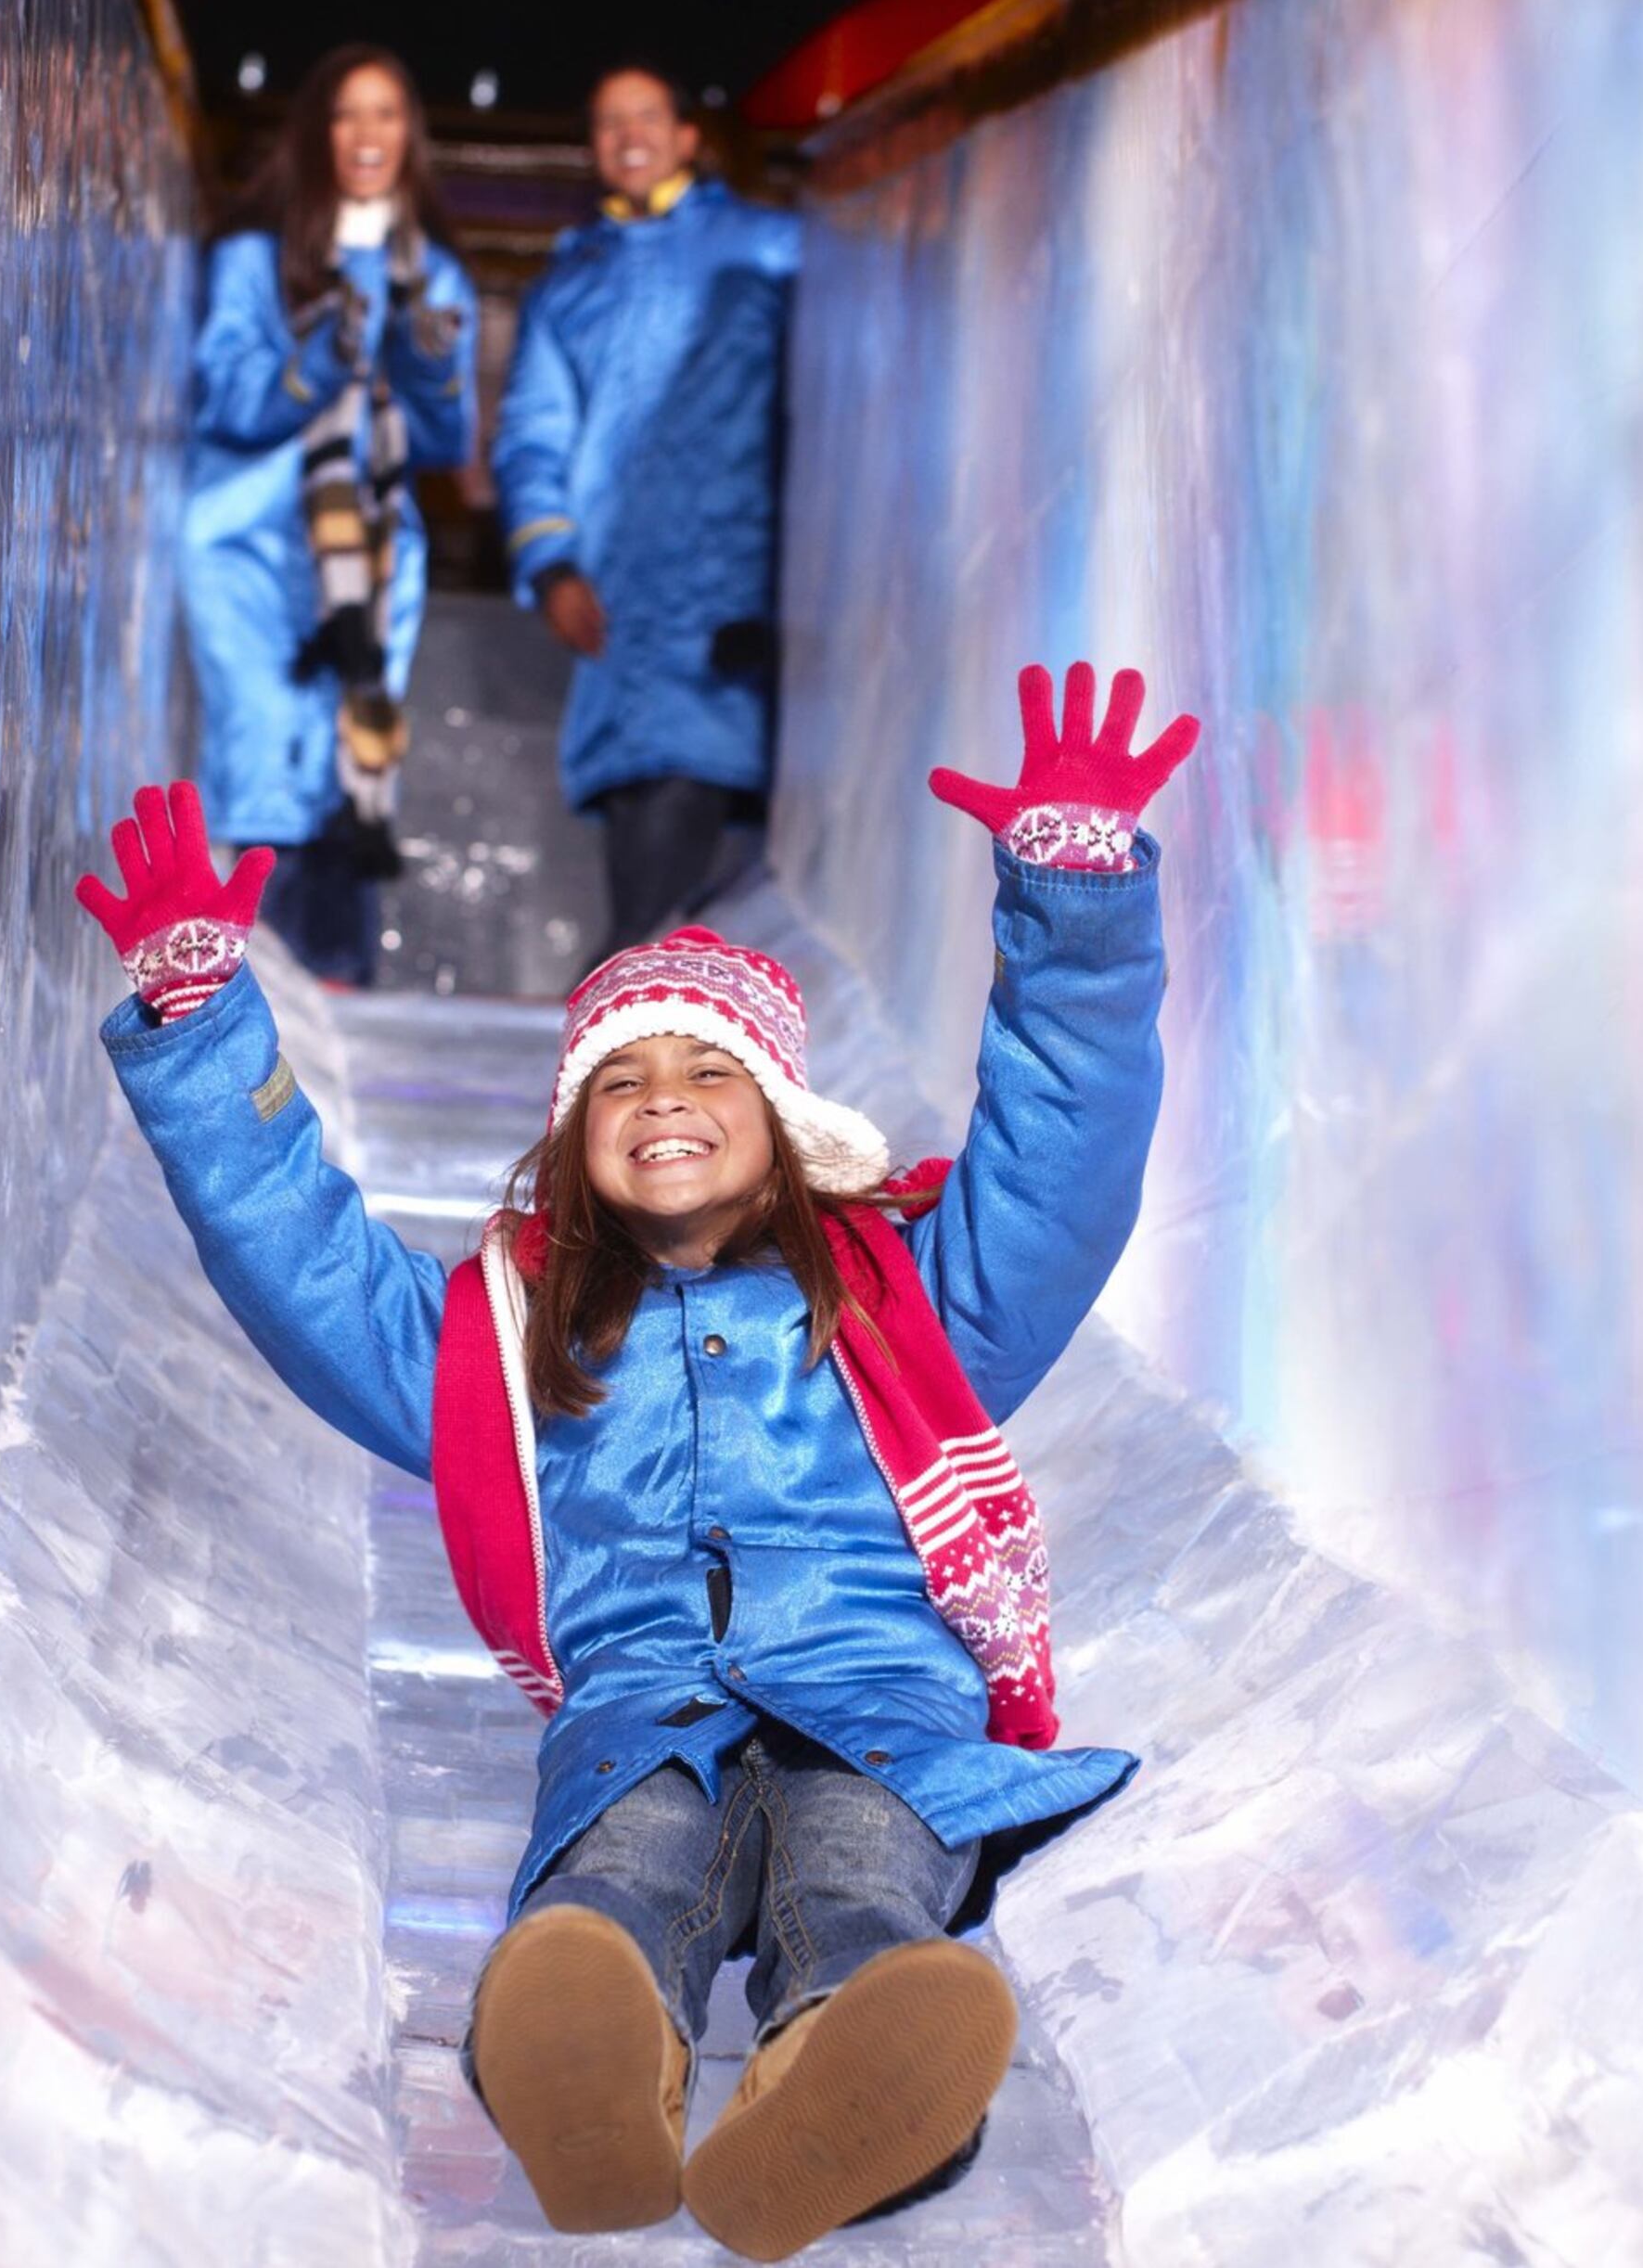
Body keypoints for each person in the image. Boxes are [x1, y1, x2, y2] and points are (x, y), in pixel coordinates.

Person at [75, 662, 1200, 2259]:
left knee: (862, 1865)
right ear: (572, 1144)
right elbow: (309, 1267)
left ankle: (847, 2060)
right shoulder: (521, 1342)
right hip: (639, 1707)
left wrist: (1076, 909)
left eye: (704, 1070)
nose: (661, 1094)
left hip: (879, 1694)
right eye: (617, 1076)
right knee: (630, 1860)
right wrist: (205, 1031)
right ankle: (591, 2043)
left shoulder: (908, 1299)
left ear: (788, 1122)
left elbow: (1061, 1156)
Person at [493, 64, 802, 966]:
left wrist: (805, 595)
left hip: (737, 616)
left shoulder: (772, 250)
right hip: (619, 618)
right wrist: (550, 563)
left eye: (646, 116)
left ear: (686, 136)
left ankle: (602, 1067)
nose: (628, 135)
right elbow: (530, 436)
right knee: (651, 869)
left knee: (681, 895)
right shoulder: (570, 282)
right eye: (608, 121)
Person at [184, 45, 476, 986]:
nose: (367, 135)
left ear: (409, 136)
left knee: (347, 772)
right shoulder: (251, 255)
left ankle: (334, 1009)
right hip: (251, 545)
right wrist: (320, 349)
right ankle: (251, 1002)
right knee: (266, 765)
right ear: (317, 133)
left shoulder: (433, 271)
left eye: (387, 114)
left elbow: (444, 439)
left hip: (375, 559)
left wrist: (423, 357)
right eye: (349, 114)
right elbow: (227, 399)